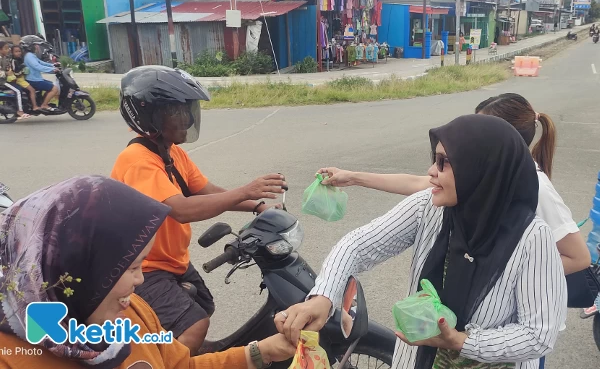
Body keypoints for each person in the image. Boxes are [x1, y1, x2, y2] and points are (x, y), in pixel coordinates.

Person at [276, 114, 567, 369]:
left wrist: (461, 341)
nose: (431, 171)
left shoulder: (532, 239)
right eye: (434, 159)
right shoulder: (430, 207)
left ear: (482, 171)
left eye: (444, 163)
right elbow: (358, 245)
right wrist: (323, 297)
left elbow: (538, 334)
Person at [0, 175, 296, 369]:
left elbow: (182, 366)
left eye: (141, 264)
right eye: (130, 267)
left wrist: (260, 352)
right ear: (76, 267)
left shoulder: (132, 313)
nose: (140, 279)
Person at [111, 65, 287, 354]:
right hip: (142, 268)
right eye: (176, 111)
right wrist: (245, 191)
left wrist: (258, 205)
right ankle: (162, 360)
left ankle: (178, 351)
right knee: (194, 324)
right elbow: (179, 209)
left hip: (171, 261)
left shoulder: (172, 152)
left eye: (187, 110)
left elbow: (209, 192)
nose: (187, 118)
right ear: (149, 115)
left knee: (203, 305)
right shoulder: (137, 160)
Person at [316, 93, 591, 277]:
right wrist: (351, 177)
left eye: (480, 128)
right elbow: (419, 183)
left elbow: (579, 258)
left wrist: (510, 276)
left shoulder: (537, 189)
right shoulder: (476, 181)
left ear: (504, 143)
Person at [21, 36, 61, 113]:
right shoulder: (29, 56)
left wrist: (53, 65)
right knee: (54, 89)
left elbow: (41, 63)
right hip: (33, 80)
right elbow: (38, 66)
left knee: (51, 85)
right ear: (30, 46)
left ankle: (43, 102)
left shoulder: (31, 55)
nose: (38, 47)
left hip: (36, 78)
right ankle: (44, 105)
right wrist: (52, 69)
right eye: (36, 45)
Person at [0, 41, 30, 120]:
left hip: (7, 79)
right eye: (5, 48)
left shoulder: (5, 58)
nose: (8, 50)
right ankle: (20, 111)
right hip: (2, 81)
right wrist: (6, 73)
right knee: (18, 90)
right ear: (0, 50)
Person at [10, 44, 41, 112]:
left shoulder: (21, 59)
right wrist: (23, 71)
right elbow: (15, 72)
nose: (18, 53)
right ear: (12, 53)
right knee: (32, 90)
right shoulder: (14, 61)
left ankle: (30, 104)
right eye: (16, 51)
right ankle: (35, 106)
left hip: (23, 78)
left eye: (19, 51)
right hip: (19, 80)